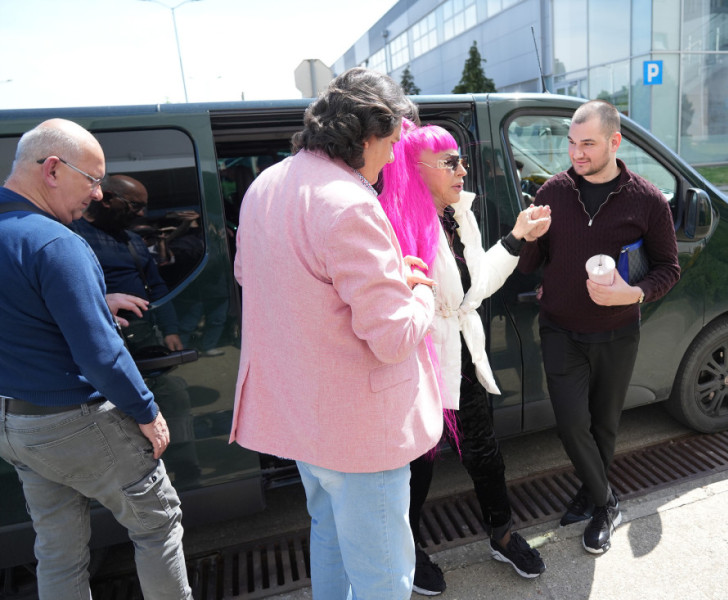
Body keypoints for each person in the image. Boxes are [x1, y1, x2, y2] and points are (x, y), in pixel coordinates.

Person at [229, 68, 443, 600]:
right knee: (384, 573)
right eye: (391, 143)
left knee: (329, 537)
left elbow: (254, 275)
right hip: (360, 431)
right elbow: (394, 337)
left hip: (303, 418)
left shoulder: (266, 184)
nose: (391, 158)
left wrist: (387, 277)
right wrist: (421, 293)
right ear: (368, 134)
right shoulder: (347, 201)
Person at [0, 119, 192, 599]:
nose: (99, 194)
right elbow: (100, 352)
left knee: (58, 549)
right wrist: (147, 411)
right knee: (157, 525)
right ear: (52, 169)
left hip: (13, 424)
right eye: (92, 179)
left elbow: (20, 306)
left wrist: (93, 301)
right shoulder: (57, 243)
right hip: (74, 421)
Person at [379, 121, 551, 595]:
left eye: (462, 160)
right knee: (417, 466)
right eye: (450, 162)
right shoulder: (393, 224)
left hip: (462, 352)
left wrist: (517, 236)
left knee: (484, 452)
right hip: (419, 360)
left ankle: (502, 534)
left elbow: (474, 287)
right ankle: (410, 550)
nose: (463, 170)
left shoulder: (458, 215)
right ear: (416, 168)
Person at [518, 100, 680, 555]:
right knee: (573, 425)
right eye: (572, 143)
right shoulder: (553, 192)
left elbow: (669, 268)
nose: (576, 153)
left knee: (604, 425)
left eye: (587, 144)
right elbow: (529, 266)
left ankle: (591, 495)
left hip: (618, 332)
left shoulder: (647, 199)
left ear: (615, 142)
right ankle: (607, 504)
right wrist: (528, 238)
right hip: (560, 329)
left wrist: (634, 293)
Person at [70, 174, 184, 353]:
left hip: (141, 336)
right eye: (135, 205)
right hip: (96, 340)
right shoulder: (70, 236)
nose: (141, 213)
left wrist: (170, 330)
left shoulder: (133, 241)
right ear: (107, 199)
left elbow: (156, 287)